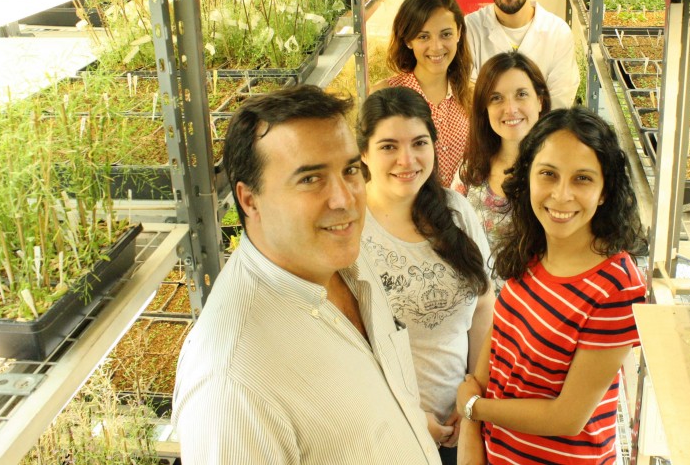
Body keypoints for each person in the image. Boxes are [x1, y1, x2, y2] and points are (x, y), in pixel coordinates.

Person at [172, 86, 440, 465]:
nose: (345, 199)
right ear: (249, 200)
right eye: (311, 179)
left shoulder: (345, 255)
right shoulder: (231, 382)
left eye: (349, 170)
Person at [455, 107, 647, 465]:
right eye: (548, 174)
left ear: (605, 191)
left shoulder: (615, 285)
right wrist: (473, 418)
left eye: (582, 179)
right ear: (527, 175)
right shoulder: (531, 247)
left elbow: (567, 417)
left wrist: (474, 408)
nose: (561, 196)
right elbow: (498, 342)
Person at [356, 87, 495, 465]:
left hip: (460, 425)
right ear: (364, 153)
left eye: (419, 142)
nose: (407, 159)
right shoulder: (351, 231)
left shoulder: (456, 211)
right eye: (388, 146)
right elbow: (350, 351)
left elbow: (483, 305)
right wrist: (413, 417)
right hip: (386, 431)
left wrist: (473, 395)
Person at [450, 52, 551, 294]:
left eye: (521, 94)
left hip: (537, 313)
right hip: (479, 311)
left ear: (540, 100)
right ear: (484, 108)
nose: (510, 109)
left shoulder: (557, 173)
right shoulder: (470, 169)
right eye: (496, 98)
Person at [465, 0, 581, 110]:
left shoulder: (558, 32)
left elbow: (558, 103)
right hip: (488, 135)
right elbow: (471, 96)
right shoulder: (470, 28)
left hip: (542, 135)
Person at [374, 0, 473, 188]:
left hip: (463, 212)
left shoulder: (473, 95)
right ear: (408, 40)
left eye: (445, 34)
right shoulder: (385, 94)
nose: (436, 47)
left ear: (459, 34)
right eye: (423, 37)